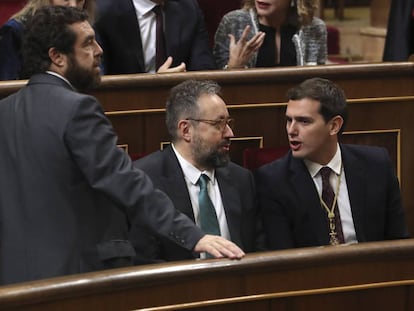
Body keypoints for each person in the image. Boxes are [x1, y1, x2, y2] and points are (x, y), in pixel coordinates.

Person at [0, 6, 243, 286]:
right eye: (88, 43)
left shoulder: (4, 110)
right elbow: (124, 182)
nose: (100, 50)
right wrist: (194, 235)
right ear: (57, 57)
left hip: (13, 280)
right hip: (73, 280)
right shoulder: (78, 109)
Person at [255, 77, 409, 250]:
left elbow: (398, 241)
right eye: (289, 120)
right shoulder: (274, 180)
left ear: (334, 126)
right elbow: (281, 256)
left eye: (304, 121)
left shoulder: (376, 165)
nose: (292, 130)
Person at [130, 79, 266, 264]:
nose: (230, 133)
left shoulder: (241, 179)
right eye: (218, 124)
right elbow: (144, 259)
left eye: (228, 123)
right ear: (186, 130)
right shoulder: (145, 180)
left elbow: (258, 249)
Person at [94, 0, 217, 74]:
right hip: (123, 106)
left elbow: (203, 68)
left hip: (182, 104)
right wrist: (155, 84)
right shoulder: (103, 12)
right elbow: (98, 77)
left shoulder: (188, 8)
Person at [213, 0, 327, 69]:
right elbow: (216, 87)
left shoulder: (314, 28)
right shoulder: (234, 22)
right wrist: (234, 67)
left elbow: (320, 83)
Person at [0, 0, 94, 81]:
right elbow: (8, 85)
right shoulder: (16, 30)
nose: (73, 5)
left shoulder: (86, 30)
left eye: (80, 0)